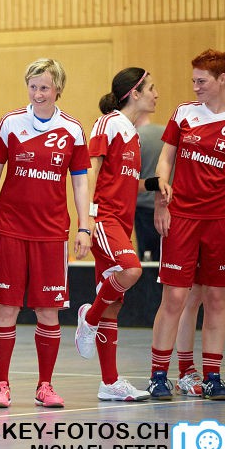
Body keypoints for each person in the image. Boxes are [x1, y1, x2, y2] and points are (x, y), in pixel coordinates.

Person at [0, 58, 91, 409]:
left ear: (58, 89)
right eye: (33, 86)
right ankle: (1, 385)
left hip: (52, 233)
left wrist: (84, 225)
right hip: (10, 230)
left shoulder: (73, 129)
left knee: (48, 312)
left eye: (45, 87)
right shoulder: (10, 123)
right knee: (6, 308)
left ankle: (45, 385)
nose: (38, 93)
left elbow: (81, 182)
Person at [148, 49, 225, 401]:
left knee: (217, 298)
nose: (196, 86)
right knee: (175, 296)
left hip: (222, 220)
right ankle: (159, 375)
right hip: (183, 217)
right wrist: (161, 197)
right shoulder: (184, 113)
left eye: (202, 81)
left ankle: (213, 376)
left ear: (222, 79)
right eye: (194, 81)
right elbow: (165, 159)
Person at [74, 68, 159, 401]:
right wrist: (87, 219)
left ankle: (109, 383)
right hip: (104, 219)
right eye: (151, 88)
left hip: (122, 223)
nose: (156, 94)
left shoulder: (133, 134)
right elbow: (90, 171)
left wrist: (155, 184)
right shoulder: (108, 123)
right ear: (134, 93)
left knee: (114, 304)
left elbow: (125, 183)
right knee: (131, 270)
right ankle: (88, 317)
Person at [134, 116, 165, 262]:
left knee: (148, 259)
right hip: (168, 202)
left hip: (144, 206)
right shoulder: (166, 134)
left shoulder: (134, 139)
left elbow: (129, 178)